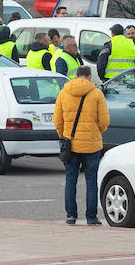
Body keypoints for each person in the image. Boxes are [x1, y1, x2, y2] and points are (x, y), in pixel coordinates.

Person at [53, 65, 109, 227]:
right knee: (91, 181)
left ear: (76, 76)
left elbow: (57, 120)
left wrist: (64, 136)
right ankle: (91, 217)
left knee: (71, 180)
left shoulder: (64, 93)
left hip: (71, 145)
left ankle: (71, 216)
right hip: (92, 145)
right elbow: (104, 122)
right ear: (90, 77)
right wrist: (96, 132)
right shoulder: (97, 94)